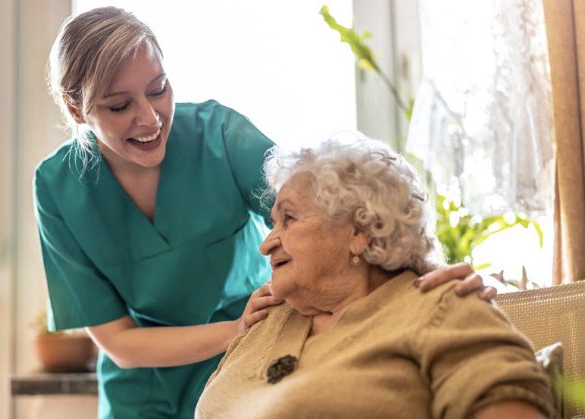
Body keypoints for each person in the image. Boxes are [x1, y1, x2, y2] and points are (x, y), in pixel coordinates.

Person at [34, 6, 497, 419]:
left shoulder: (219, 136)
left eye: (158, 89)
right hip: (143, 390)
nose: (151, 118)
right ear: (77, 109)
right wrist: (230, 330)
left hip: (250, 357)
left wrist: (430, 277)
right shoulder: (57, 189)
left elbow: (328, 216)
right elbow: (118, 341)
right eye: (120, 105)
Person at [195, 133, 554, 419]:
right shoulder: (263, 321)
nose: (266, 244)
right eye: (273, 222)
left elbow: (509, 401)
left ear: (361, 230)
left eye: (289, 219)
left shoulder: (441, 306)